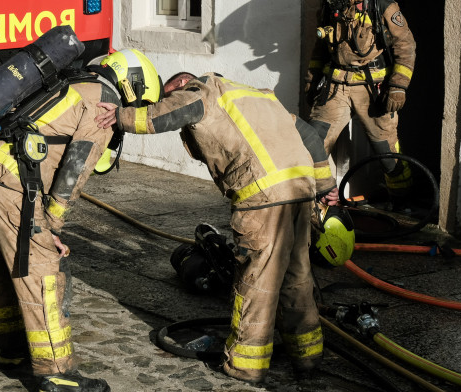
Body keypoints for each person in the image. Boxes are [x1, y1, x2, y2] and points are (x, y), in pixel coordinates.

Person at [96, 69, 340, 384]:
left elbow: (171, 112)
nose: (172, 99)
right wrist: (324, 183)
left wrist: (121, 117)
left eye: (171, 92)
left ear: (183, 84)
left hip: (264, 197)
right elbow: (307, 133)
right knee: (296, 277)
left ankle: (245, 366)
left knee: (257, 284)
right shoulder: (257, 95)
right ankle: (308, 356)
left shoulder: (203, 91)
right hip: (300, 190)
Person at [0, 49, 161, 392]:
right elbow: (76, 169)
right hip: (9, 176)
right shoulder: (104, 103)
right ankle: (57, 372)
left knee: (0, 267)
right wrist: (52, 224)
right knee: (41, 272)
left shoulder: (71, 82)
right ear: (134, 85)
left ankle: (11, 351)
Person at [305, 0, 417, 197]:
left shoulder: (382, 7)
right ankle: (316, 202)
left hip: (372, 90)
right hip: (335, 88)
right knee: (312, 144)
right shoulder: (328, 9)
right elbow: (319, 50)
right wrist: (311, 80)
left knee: (386, 152)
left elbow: (406, 47)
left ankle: (403, 201)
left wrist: (398, 86)